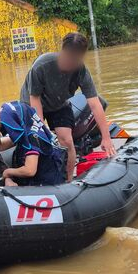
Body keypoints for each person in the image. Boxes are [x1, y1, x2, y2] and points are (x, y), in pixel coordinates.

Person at [20, 32, 115, 182]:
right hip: (32, 103)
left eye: (74, 60)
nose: (69, 64)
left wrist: (106, 137)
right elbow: (35, 98)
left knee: (67, 141)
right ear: (62, 51)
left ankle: (68, 181)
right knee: (36, 140)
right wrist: (41, 129)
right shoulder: (42, 65)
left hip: (58, 104)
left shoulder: (81, 71)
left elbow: (95, 104)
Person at [0, 101, 66, 187]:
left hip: (45, 184)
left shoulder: (33, 137)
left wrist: (7, 172)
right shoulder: (24, 131)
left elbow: (30, 170)